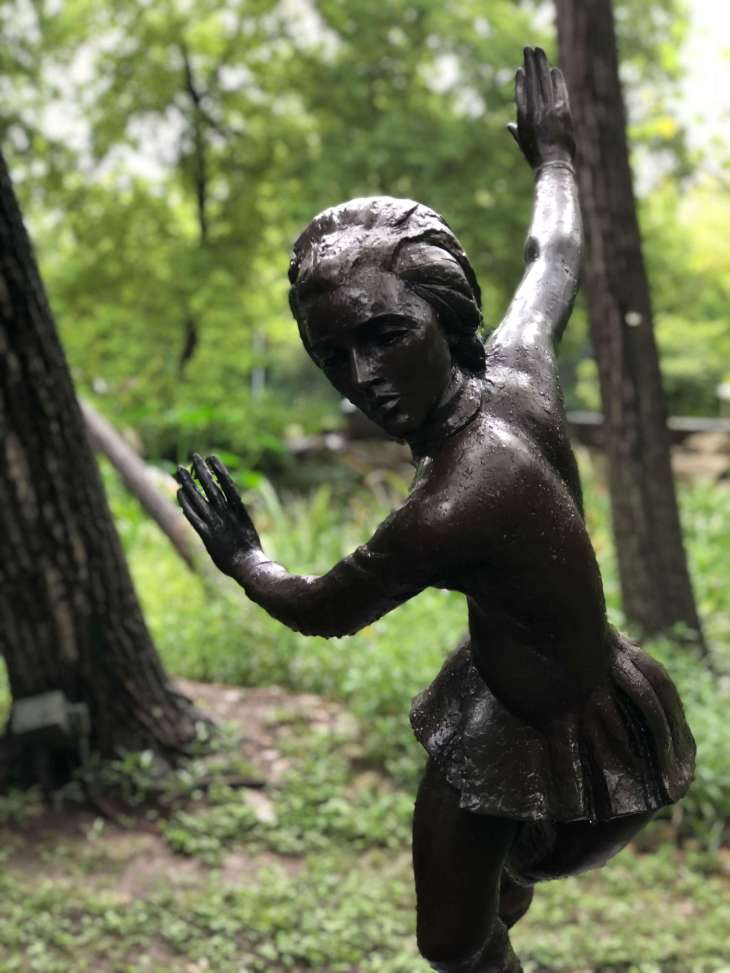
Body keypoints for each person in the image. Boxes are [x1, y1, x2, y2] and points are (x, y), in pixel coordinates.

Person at [176, 48, 695, 973]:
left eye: (386, 334)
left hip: (560, 714)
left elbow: (324, 607)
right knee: (473, 917)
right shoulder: (519, 369)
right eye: (334, 354)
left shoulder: (455, 500)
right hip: (540, 686)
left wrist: (245, 558)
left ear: (442, 318)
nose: (363, 378)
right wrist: (557, 162)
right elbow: (555, 253)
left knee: (454, 937)